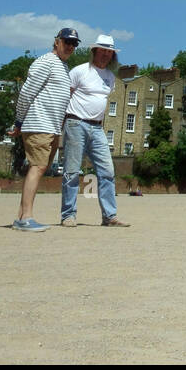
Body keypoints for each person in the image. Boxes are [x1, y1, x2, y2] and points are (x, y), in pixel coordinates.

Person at [10, 28, 78, 231]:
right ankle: (26, 218)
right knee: (37, 167)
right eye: (67, 42)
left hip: (53, 127)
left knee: (40, 168)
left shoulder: (63, 67)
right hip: (39, 123)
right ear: (56, 41)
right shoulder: (46, 62)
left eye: (74, 44)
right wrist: (19, 122)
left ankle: (21, 216)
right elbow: (26, 93)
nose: (71, 47)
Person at [60, 34, 130, 228]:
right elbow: (66, 97)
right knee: (72, 172)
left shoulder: (110, 77)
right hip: (76, 123)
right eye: (103, 51)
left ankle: (109, 216)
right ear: (94, 51)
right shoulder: (79, 71)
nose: (106, 55)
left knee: (107, 171)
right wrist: (61, 124)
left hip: (98, 127)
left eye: (109, 52)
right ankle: (68, 215)